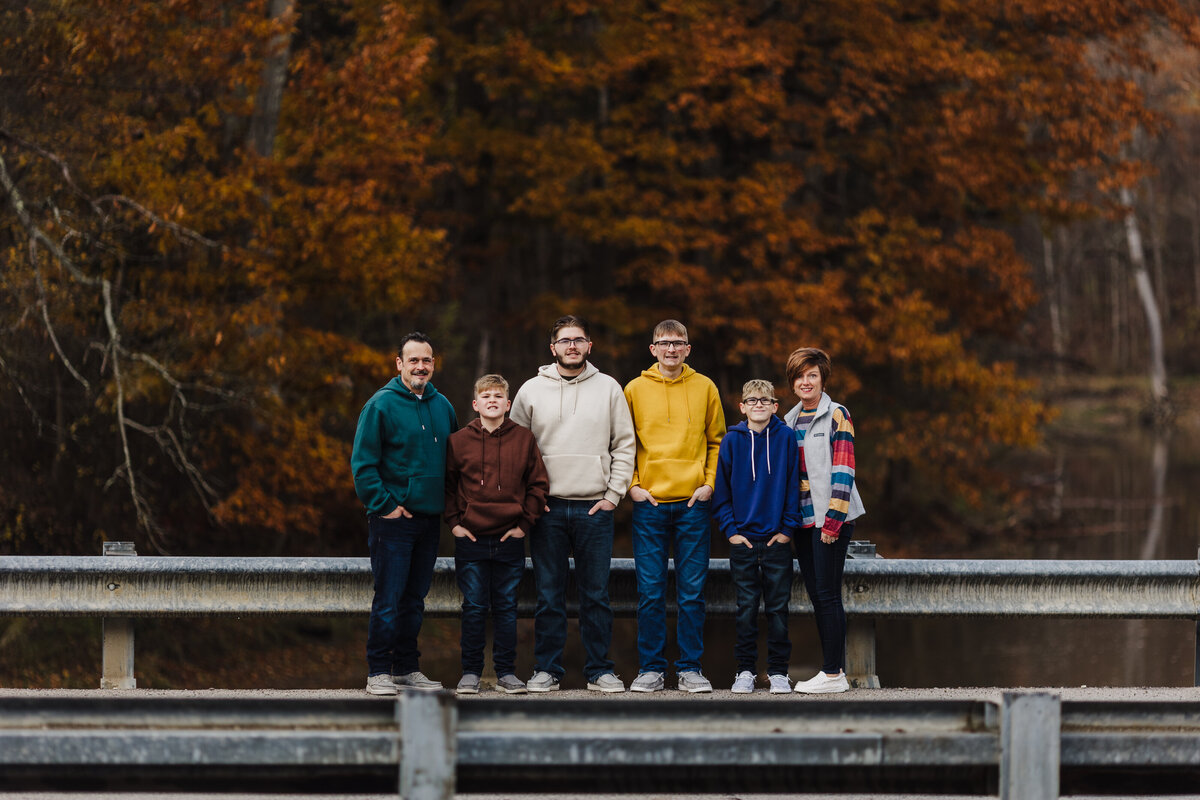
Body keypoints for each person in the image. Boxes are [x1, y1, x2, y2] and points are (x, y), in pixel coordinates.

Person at [510, 315, 636, 693]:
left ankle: (600, 670)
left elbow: (624, 444)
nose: (572, 346)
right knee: (549, 595)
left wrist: (613, 495)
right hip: (546, 509)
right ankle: (547, 670)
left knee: (596, 594)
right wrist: (531, 500)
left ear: (589, 346)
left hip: (594, 508)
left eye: (579, 340)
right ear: (553, 348)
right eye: (565, 341)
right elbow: (515, 449)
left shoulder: (609, 388)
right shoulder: (531, 390)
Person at [351, 332, 458, 696]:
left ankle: (406, 668)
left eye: (426, 360)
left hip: (429, 520)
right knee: (390, 597)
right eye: (413, 360)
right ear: (399, 364)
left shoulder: (443, 406)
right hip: (393, 521)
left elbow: (454, 464)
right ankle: (378, 671)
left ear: (433, 364)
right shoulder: (380, 405)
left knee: (415, 599)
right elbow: (363, 466)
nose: (421, 366)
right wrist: (386, 506)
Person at [623, 320, 725, 693]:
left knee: (692, 592)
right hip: (649, 503)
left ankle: (689, 669)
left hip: (692, 503)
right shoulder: (634, 389)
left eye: (677, 343)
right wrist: (632, 486)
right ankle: (650, 669)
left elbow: (717, 441)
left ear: (687, 349)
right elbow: (624, 442)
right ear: (653, 349)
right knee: (650, 591)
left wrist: (709, 484)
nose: (670, 349)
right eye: (663, 343)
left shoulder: (705, 387)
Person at [444, 374, 550, 695]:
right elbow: (447, 487)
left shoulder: (524, 439)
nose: (492, 400)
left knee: (506, 607)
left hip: (510, 538)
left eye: (498, 396)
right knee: (474, 606)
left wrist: (523, 525)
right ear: (476, 404)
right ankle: (470, 672)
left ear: (508, 403)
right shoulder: (458, 441)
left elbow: (538, 485)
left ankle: (506, 672)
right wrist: (454, 523)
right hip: (471, 538)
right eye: (486, 395)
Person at [783, 347, 866, 694]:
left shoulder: (836, 415)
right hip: (802, 522)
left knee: (829, 595)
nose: (806, 381)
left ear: (822, 379)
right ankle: (831, 671)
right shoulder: (788, 420)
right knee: (818, 595)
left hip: (830, 520)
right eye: (800, 376)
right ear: (793, 381)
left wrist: (832, 521)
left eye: (812, 375)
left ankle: (834, 674)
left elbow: (844, 469)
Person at [712, 380, 802, 694]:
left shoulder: (786, 438)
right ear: (742, 407)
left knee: (778, 610)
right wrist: (731, 532)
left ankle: (778, 672)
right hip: (744, 542)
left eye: (765, 400)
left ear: (776, 406)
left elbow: (794, 486)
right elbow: (721, 493)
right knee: (746, 609)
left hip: (777, 541)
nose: (759, 405)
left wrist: (787, 529)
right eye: (752, 400)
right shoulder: (732, 441)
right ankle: (745, 671)